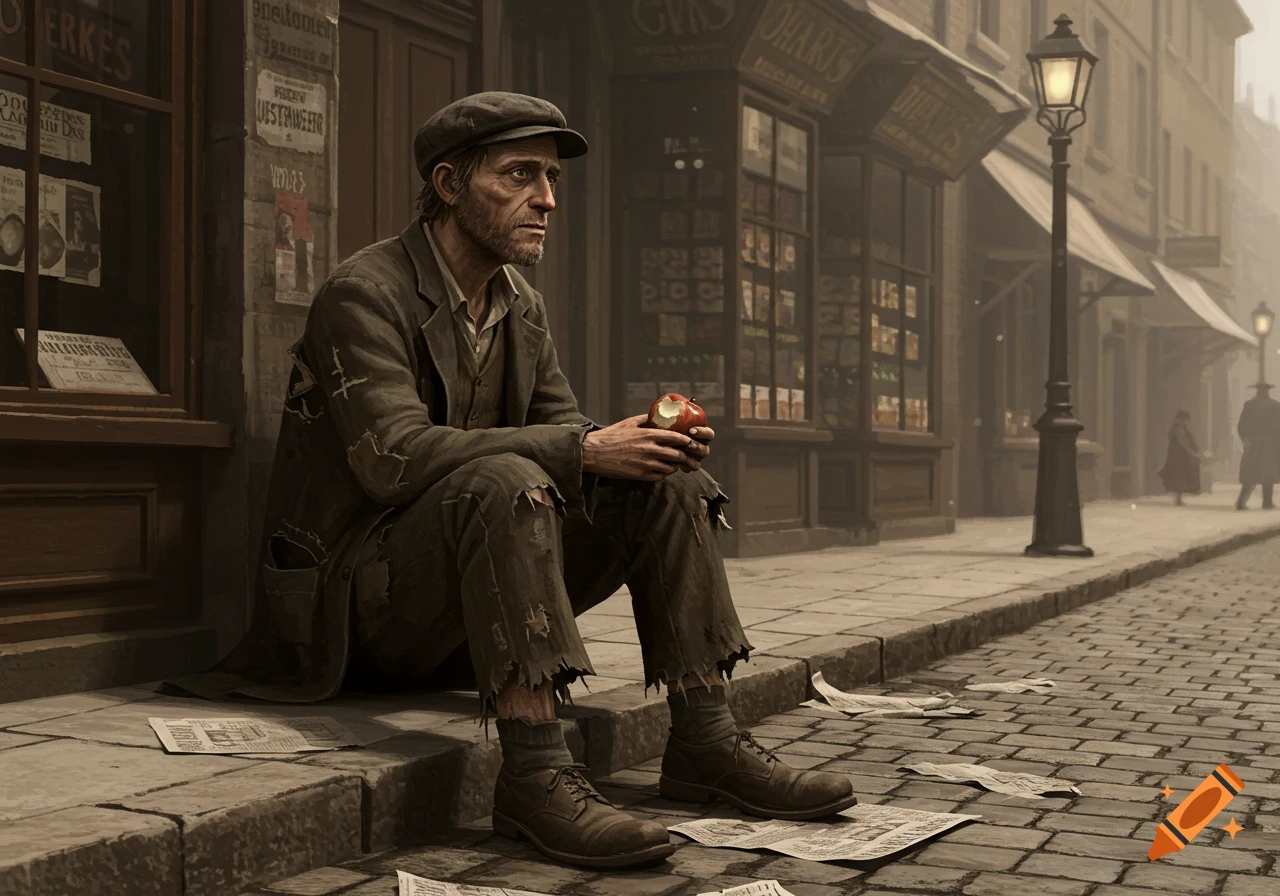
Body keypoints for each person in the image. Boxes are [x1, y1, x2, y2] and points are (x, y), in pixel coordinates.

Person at [165, 92, 854, 870]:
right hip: (354, 609)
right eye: (520, 175)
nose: (548, 199)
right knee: (504, 479)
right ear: (451, 185)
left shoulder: (518, 303)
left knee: (669, 484)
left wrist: (636, 446)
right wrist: (584, 448)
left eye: (552, 178)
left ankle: (706, 742)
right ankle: (534, 774)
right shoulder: (365, 292)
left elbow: (568, 436)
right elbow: (391, 457)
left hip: (463, 603)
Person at [1236, 383, 1280, 510]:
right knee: (1268, 473)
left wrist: (1246, 439)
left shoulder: (1249, 405)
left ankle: (1242, 502)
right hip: (1269, 443)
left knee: (1251, 472)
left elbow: (1242, 426)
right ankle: (1266, 502)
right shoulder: (1275, 405)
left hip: (1254, 442)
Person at [1157, 410, 1200, 506]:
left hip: (1178, 457)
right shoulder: (1178, 429)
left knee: (1180, 477)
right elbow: (1183, 442)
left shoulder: (1179, 428)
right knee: (1179, 477)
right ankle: (1178, 499)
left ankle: (1178, 498)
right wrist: (1192, 452)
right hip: (1178, 457)